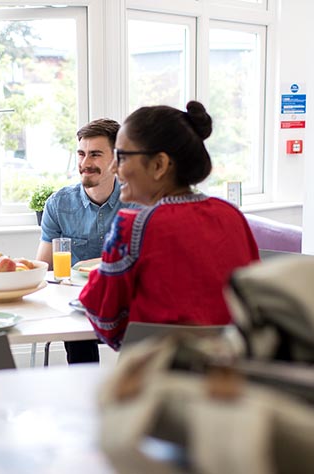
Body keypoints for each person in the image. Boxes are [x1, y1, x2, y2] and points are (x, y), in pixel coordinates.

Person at [79, 102, 260, 350]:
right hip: (231, 374)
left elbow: (106, 322)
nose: (112, 168)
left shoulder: (132, 227)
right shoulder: (231, 215)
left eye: (120, 157)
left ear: (159, 165)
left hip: (161, 375)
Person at [36, 118, 139, 363]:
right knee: (78, 338)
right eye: (81, 154)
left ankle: (130, 392)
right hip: (78, 307)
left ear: (116, 160)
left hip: (129, 306)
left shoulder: (138, 201)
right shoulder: (58, 204)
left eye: (95, 155)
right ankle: (84, 395)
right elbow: (44, 269)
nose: (85, 163)